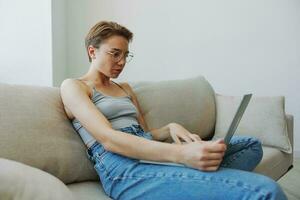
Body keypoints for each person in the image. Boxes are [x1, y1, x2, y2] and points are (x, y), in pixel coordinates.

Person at [60, 21, 287, 200]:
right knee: (265, 191)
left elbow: (145, 133)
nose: (122, 62)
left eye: (125, 55)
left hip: (151, 155)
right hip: (122, 169)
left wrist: (170, 128)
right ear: (92, 51)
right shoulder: (74, 86)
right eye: (115, 53)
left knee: (250, 146)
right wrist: (182, 155)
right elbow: (109, 140)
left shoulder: (125, 88)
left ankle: (193, 184)